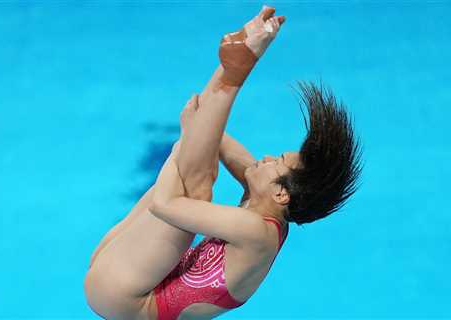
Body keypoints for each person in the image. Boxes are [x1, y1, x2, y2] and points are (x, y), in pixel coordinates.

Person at [84, 5, 363, 320]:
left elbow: (164, 204)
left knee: (195, 188)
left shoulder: (254, 230)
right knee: (199, 156)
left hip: (123, 296)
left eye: (278, 161)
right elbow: (213, 137)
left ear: (281, 193)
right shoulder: (270, 210)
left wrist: (182, 146)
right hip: (122, 274)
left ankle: (237, 67)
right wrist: (242, 54)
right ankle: (238, 61)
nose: (267, 158)